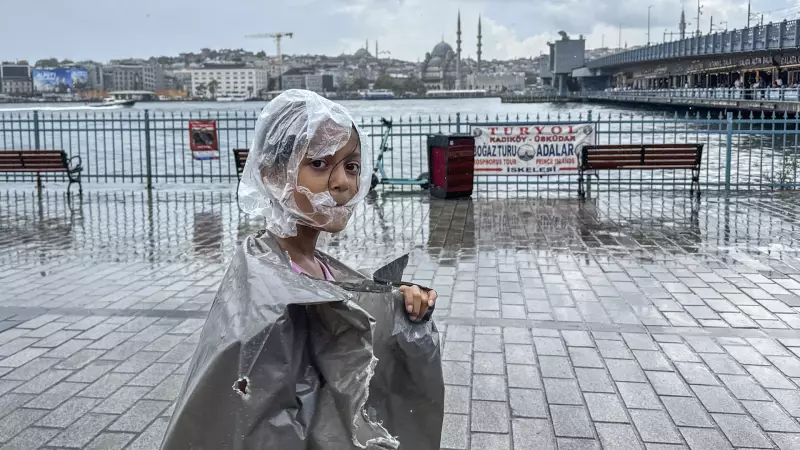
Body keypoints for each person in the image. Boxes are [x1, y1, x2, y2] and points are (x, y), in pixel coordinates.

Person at [161, 89, 445, 450]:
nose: (343, 182)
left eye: (351, 166)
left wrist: (401, 307)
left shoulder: (311, 266)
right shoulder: (267, 292)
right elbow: (261, 421)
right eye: (320, 164)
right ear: (272, 174)